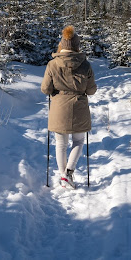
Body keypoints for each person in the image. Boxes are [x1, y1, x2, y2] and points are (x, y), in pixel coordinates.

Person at [41, 25, 97, 189]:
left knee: (61, 144)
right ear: (77, 46)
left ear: (62, 45)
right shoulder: (85, 65)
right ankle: (69, 173)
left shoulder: (52, 64)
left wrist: (54, 91)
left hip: (59, 106)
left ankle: (63, 176)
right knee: (78, 141)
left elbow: (45, 89)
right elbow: (91, 90)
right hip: (79, 107)